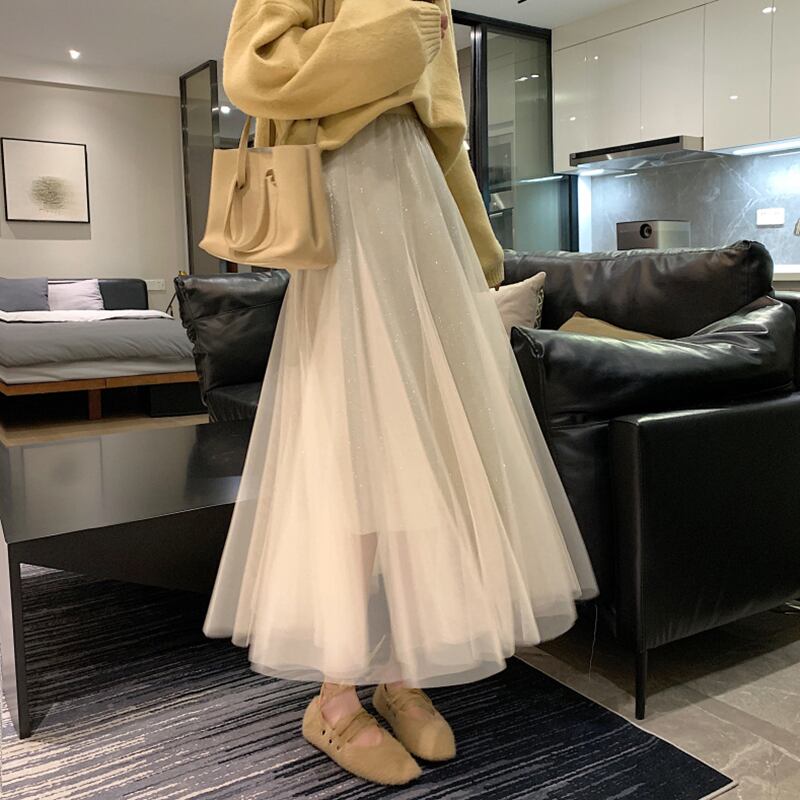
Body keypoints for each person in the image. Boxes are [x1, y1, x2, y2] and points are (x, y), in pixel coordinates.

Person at [202, 0, 598, 786]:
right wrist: (394, 36)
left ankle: (399, 669)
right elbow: (255, 67)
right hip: (344, 206)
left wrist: (476, 247)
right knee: (352, 453)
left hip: (421, 213)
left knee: (425, 456)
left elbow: (442, 128)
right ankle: (334, 695)